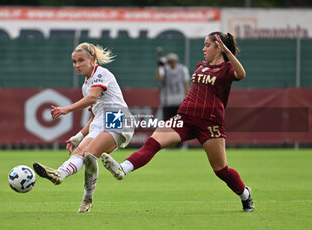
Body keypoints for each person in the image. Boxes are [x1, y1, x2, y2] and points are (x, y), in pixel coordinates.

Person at [101, 32, 254, 212]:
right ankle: (123, 169)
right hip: (185, 118)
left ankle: (245, 194)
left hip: (210, 122)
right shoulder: (200, 66)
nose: (204, 49)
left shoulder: (227, 68)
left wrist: (228, 53)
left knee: (221, 169)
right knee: (153, 142)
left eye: (207, 45)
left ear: (218, 47)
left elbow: (241, 74)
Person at [33, 42, 134, 213]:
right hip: (101, 122)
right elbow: (95, 115)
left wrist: (66, 109)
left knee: (89, 154)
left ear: (92, 60)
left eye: (81, 61)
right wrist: (79, 136)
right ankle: (59, 174)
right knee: (79, 153)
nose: (77, 65)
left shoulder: (102, 73)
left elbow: (93, 99)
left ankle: (87, 198)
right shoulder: (85, 85)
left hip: (118, 118)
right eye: (74, 62)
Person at [156, 52, 190, 121]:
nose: (172, 63)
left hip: (179, 101)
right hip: (167, 102)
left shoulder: (183, 69)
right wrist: (159, 66)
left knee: (179, 122)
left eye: (173, 61)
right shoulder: (164, 69)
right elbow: (159, 77)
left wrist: (187, 98)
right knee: (167, 122)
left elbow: (186, 84)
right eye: (170, 61)